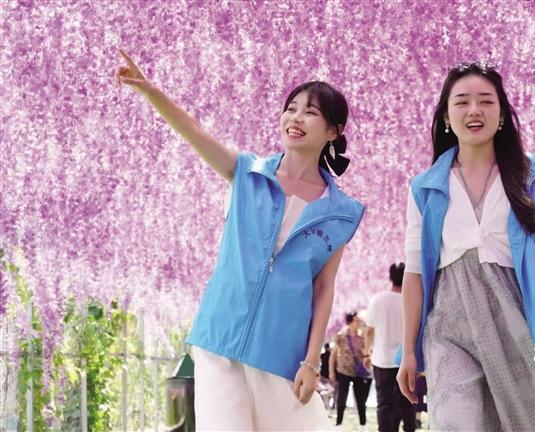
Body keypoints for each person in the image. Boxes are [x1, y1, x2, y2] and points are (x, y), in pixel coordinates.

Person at [116, 50, 364, 430]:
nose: (296, 118)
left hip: (280, 352)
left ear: (333, 131)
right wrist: (150, 91)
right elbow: (194, 131)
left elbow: (323, 288)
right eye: (291, 108)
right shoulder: (247, 173)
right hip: (220, 337)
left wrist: (312, 361)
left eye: (310, 112)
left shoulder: (341, 213)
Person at [395, 61, 535, 431]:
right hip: (448, 326)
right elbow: (414, 272)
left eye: (485, 101)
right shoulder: (424, 187)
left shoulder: (531, 176)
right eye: (462, 102)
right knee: (456, 422)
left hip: (514, 318)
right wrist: (408, 349)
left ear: (503, 114)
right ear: (446, 116)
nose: (474, 110)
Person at [364, 263, 416, 432]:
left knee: (385, 403)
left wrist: (366, 353)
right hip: (405, 358)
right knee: (407, 400)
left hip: (382, 359)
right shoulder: (411, 300)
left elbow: (369, 331)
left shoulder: (377, 300)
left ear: (390, 277)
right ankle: (409, 429)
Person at [331, 312, 373, 431]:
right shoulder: (340, 336)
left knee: (361, 400)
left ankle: (363, 426)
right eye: (356, 320)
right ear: (351, 321)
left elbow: (368, 350)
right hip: (343, 371)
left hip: (359, 373)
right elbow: (333, 355)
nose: (358, 321)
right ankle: (338, 424)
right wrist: (331, 371)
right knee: (341, 399)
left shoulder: (363, 336)